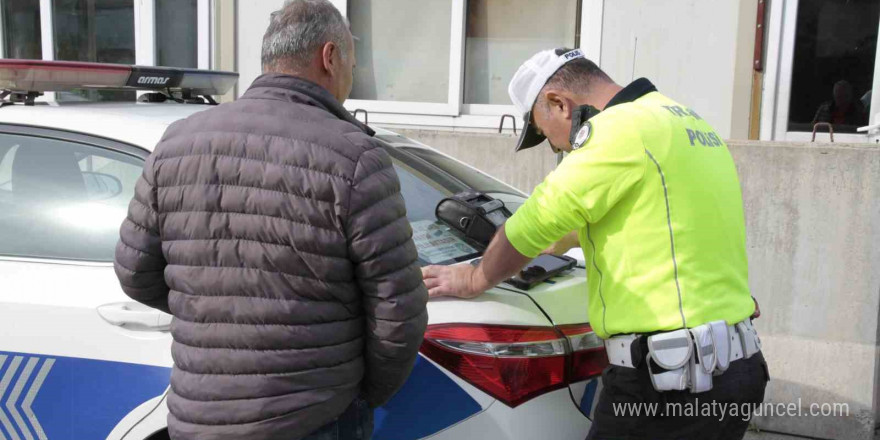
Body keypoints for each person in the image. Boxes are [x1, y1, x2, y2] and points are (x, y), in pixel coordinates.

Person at [114, 1, 428, 439]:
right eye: (352, 65)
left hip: (198, 419)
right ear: (330, 57)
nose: (351, 79)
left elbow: (135, 272)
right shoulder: (354, 156)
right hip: (314, 415)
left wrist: (214, 316)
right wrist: (359, 392)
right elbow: (399, 312)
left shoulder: (176, 143)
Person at [422, 48, 768, 439]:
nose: (557, 149)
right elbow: (647, 219)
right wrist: (543, 242)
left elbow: (531, 225)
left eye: (545, 134)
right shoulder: (683, 120)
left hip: (671, 387)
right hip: (733, 371)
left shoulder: (618, 131)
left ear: (559, 104)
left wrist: (474, 278)